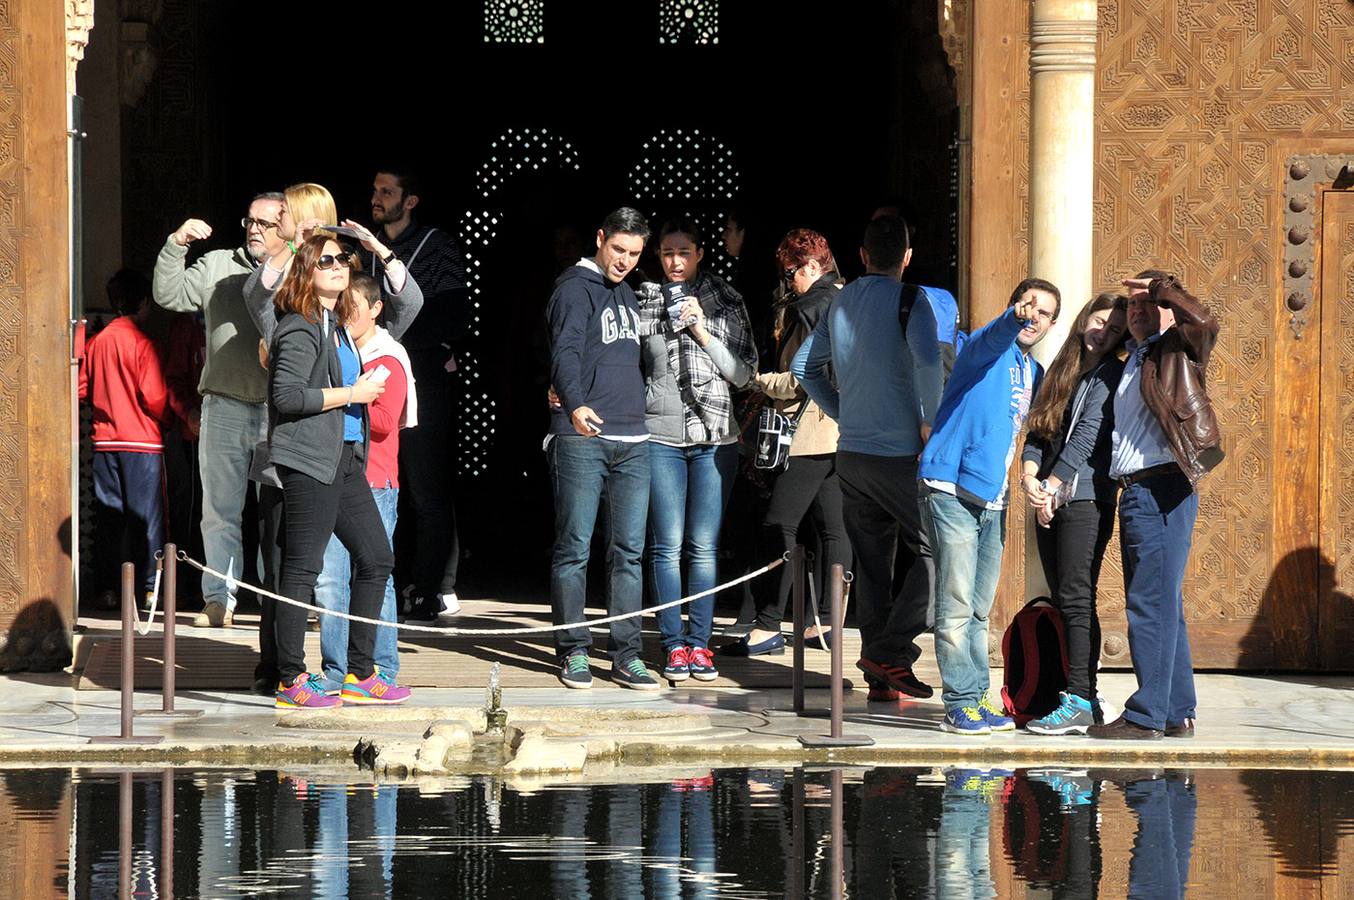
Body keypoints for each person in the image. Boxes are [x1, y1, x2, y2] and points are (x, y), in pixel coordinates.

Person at [794, 215, 945, 701]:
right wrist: (933, 427)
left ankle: (881, 670)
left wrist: (843, 412)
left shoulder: (840, 300)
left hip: (852, 453)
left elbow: (804, 369)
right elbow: (927, 366)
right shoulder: (911, 300)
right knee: (941, 549)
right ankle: (892, 651)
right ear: (906, 257)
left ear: (861, 256)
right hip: (900, 454)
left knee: (874, 563)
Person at [266, 236, 412, 709]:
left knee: (377, 558)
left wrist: (357, 392)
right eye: (324, 260)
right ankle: (291, 679)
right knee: (303, 569)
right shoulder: (300, 326)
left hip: (345, 459)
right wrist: (354, 393)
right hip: (310, 461)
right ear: (306, 270)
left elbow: (410, 303)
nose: (337, 266)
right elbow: (286, 398)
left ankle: (361, 673)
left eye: (342, 259)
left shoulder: (336, 325)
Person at [919, 278, 1060, 734]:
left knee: (979, 609)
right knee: (957, 605)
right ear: (1012, 306)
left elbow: (1039, 432)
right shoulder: (985, 347)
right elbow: (995, 333)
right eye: (1028, 307)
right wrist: (1011, 317)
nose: (1033, 318)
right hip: (951, 486)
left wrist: (1033, 475)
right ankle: (959, 704)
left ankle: (977, 699)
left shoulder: (1032, 372)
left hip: (992, 500)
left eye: (1044, 314)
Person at [1088, 272, 1223, 740]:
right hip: (1138, 490)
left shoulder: (1176, 351)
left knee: (1148, 603)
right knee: (1165, 604)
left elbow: (1204, 322)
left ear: (1168, 308)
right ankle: (1176, 711)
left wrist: (1165, 287)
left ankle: (1145, 716)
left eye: (1150, 303)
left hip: (1162, 486)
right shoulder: (1136, 360)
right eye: (1133, 305)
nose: (1139, 311)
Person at [152, 192, 288, 627]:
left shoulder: (299, 269)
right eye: (250, 220)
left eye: (266, 223)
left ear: (285, 227)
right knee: (220, 511)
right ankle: (219, 599)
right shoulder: (216, 264)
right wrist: (177, 243)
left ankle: (282, 601)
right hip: (225, 403)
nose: (254, 229)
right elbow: (169, 294)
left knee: (279, 512)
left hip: (279, 408)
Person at [636, 217, 757, 682]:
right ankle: (672, 644)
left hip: (715, 436)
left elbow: (744, 374)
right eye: (667, 253)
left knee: (703, 547)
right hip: (660, 436)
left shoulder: (725, 299)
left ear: (700, 253)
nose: (675, 262)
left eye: (684, 252)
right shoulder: (644, 300)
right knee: (665, 547)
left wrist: (703, 331)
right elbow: (629, 366)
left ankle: (700, 644)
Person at [545, 207, 660, 691]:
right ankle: (573, 650)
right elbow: (564, 350)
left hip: (634, 439)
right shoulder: (574, 288)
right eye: (618, 249)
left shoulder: (630, 293)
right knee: (574, 547)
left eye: (634, 253)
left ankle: (626, 654)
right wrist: (572, 404)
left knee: (628, 553)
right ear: (600, 239)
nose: (625, 260)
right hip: (584, 435)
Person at [725, 229, 848, 659]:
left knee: (779, 522)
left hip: (810, 430)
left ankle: (768, 625)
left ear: (814, 265)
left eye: (792, 271)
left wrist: (758, 381)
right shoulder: (848, 299)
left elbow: (798, 378)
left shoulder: (811, 305)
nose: (788, 281)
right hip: (843, 430)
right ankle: (825, 624)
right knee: (832, 524)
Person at [1020, 293, 1129, 735]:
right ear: (1086, 318)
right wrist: (1030, 479)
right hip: (1048, 496)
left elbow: (1086, 438)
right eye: (1101, 320)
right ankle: (1077, 695)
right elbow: (1037, 431)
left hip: (1085, 498)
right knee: (1067, 600)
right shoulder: (1061, 372)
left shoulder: (1110, 374)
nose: (1105, 332)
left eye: (1116, 330)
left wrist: (1050, 487)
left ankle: (1082, 699)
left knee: (1077, 597)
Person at [368, 167, 470, 622]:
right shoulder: (365, 248)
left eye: (387, 191)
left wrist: (391, 334)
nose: (377, 197)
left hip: (424, 378)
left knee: (427, 485)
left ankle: (433, 587)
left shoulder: (438, 247)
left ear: (410, 201)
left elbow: (452, 317)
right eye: (375, 189)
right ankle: (392, 581)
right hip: (376, 378)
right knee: (382, 481)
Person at [312, 273, 417, 695]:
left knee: (376, 575)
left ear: (375, 309)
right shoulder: (337, 350)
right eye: (341, 308)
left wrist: (349, 396)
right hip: (338, 475)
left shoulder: (388, 358)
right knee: (331, 579)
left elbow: (389, 421)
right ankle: (337, 670)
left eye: (353, 308)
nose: (346, 315)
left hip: (375, 481)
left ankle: (382, 668)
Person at [80, 270, 171, 608]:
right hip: (143, 444)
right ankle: (150, 588)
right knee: (146, 519)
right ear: (144, 302)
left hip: (105, 443)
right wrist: (170, 419)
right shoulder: (143, 344)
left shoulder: (97, 342)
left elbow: (82, 388)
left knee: (109, 520)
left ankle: (107, 589)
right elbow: (155, 397)